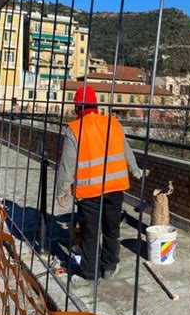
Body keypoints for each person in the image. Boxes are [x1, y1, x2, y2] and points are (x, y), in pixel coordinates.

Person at [56, 86, 144, 281]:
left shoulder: (75, 129)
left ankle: (89, 272)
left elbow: (67, 165)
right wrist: (135, 170)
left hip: (89, 191)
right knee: (112, 229)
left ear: (78, 107)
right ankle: (110, 266)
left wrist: (62, 192)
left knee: (90, 232)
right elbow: (126, 150)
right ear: (96, 104)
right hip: (115, 187)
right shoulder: (113, 123)